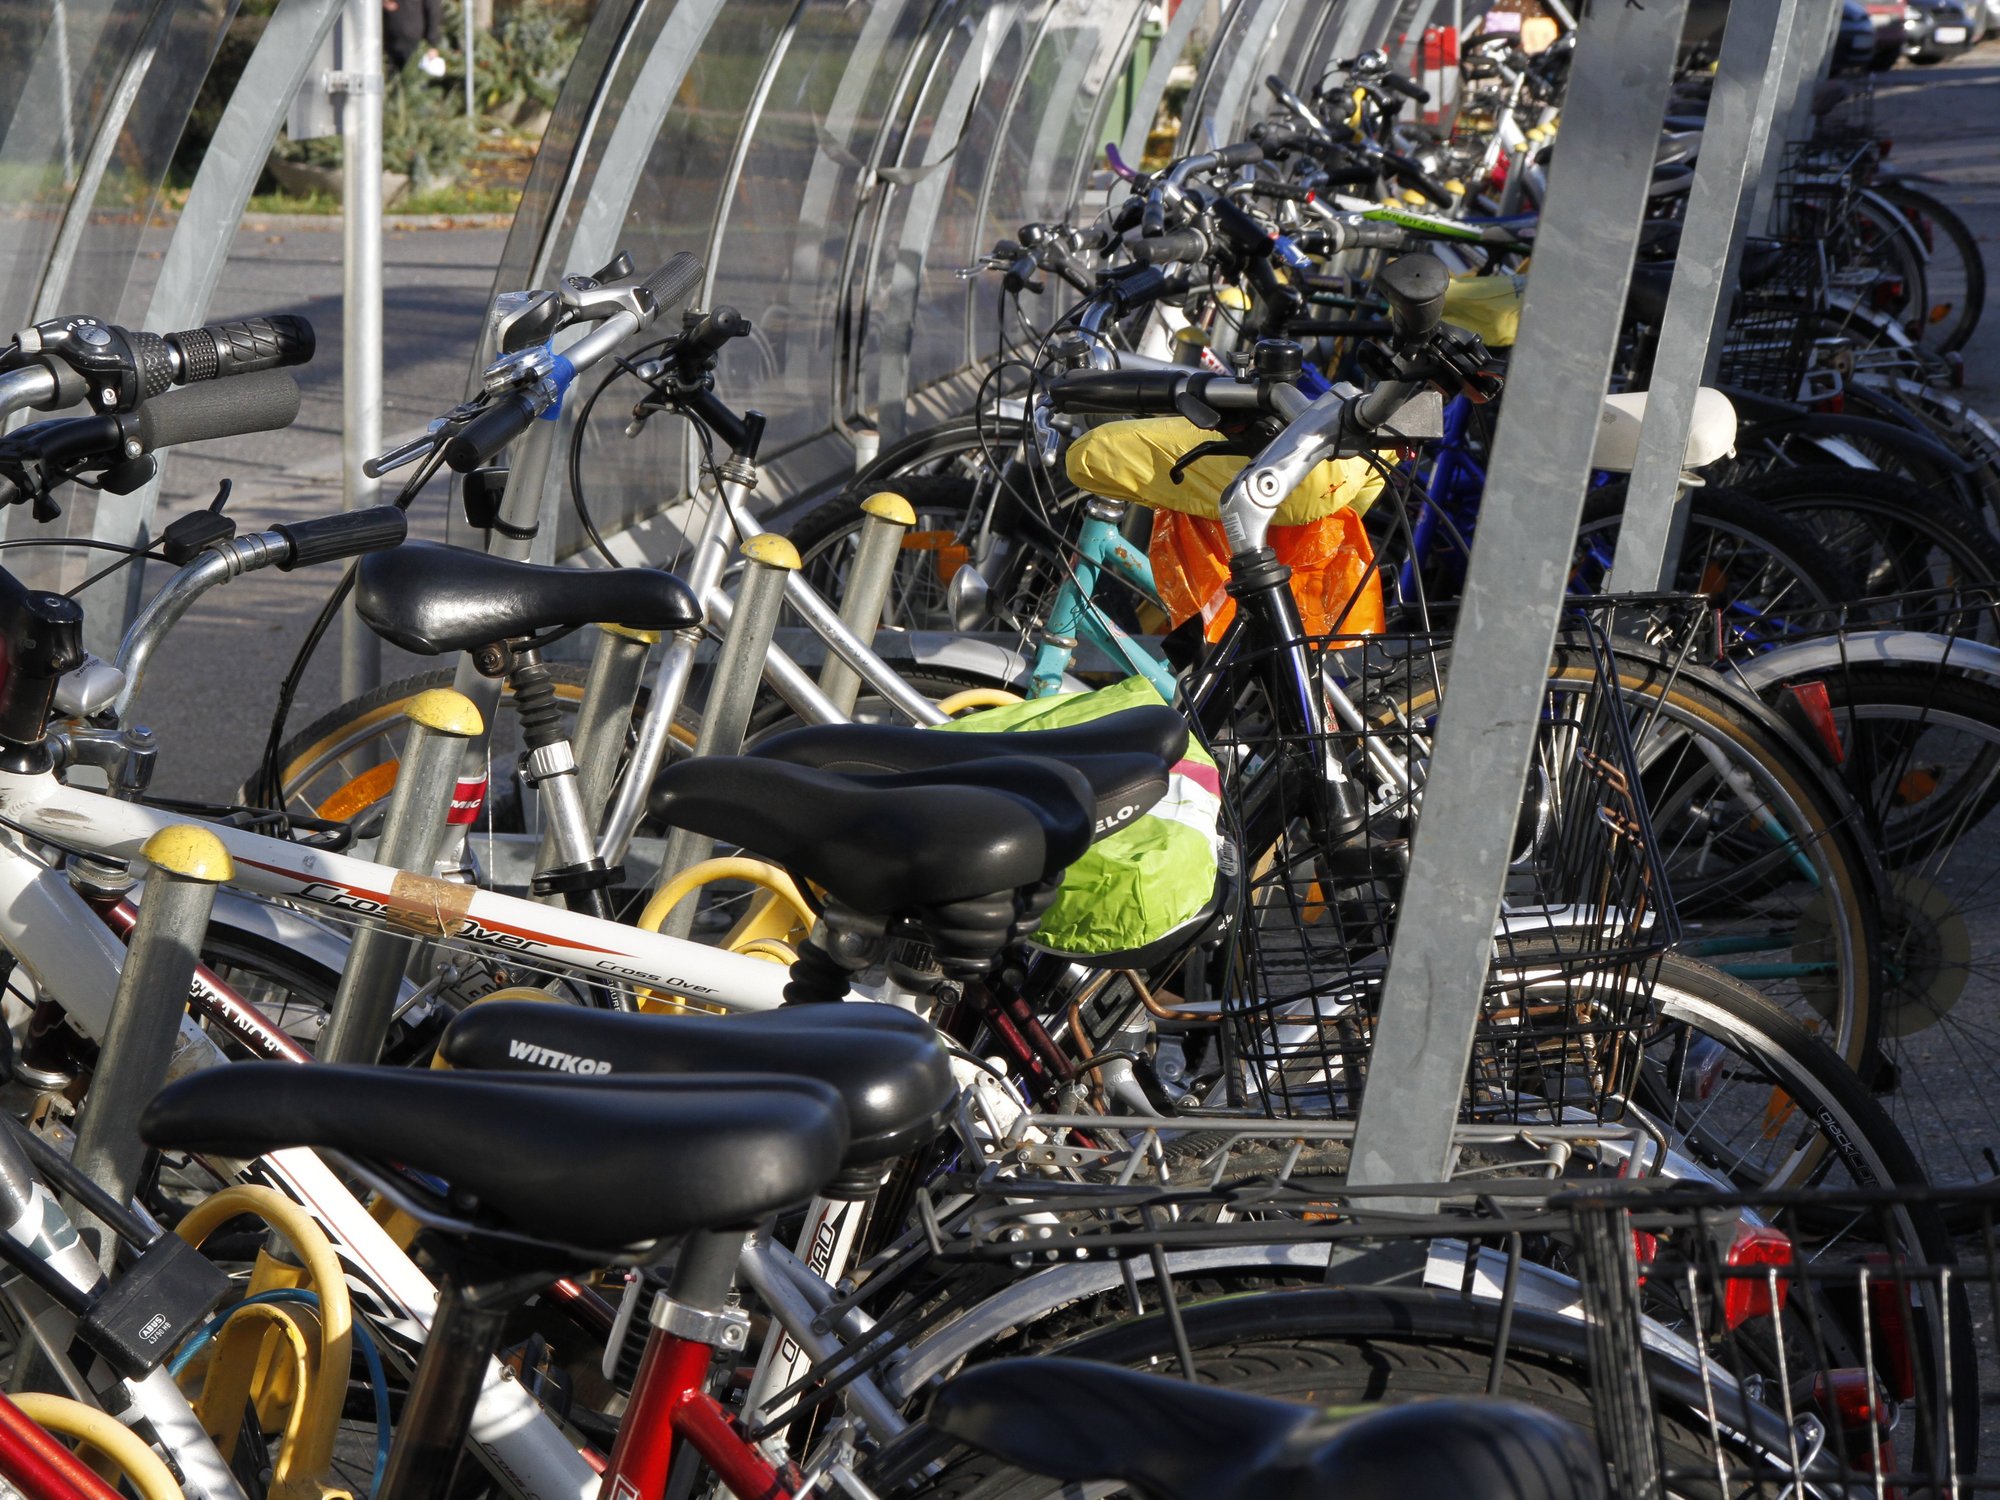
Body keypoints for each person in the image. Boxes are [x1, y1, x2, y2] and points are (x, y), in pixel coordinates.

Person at [383, 0, 447, 76]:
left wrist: (432, 44)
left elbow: (434, 11)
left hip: (415, 44)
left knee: (414, 80)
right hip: (388, 42)